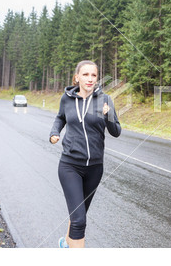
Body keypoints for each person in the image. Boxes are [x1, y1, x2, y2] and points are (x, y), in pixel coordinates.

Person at [49, 60, 121, 248]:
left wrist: (108, 116)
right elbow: (60, 118)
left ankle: (65, 244)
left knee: (78, 215)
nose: (90, 79)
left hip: (95, 168)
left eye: (94, 75)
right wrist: (54, 132)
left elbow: (116, 131)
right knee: (80, 221)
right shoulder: (67, 99)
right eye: (86, 75)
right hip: (70, 165)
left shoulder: (105, 100)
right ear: (77, 77)